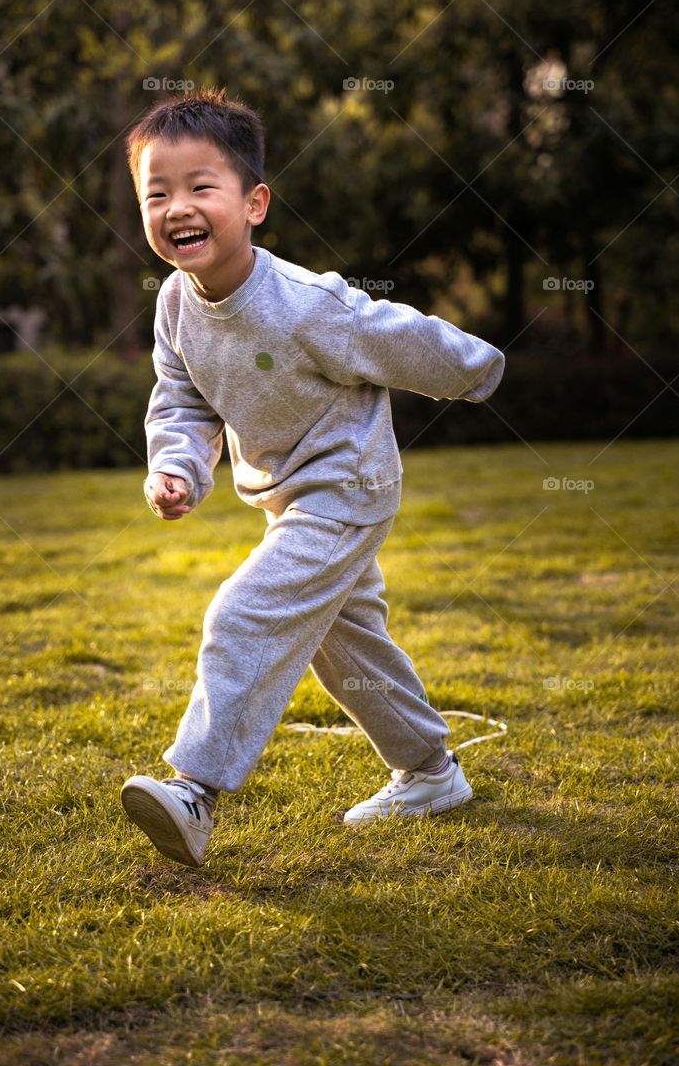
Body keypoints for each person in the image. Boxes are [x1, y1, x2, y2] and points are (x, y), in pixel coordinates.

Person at [119, 87, 506, 868]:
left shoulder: (303, 305)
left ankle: (194, 790)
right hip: (289, 496)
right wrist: (177, 468)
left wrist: (476, 367)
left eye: (200, 187)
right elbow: (182, 402)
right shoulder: (175, 306)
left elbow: (391, 335)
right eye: (157, 194)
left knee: (245, 612)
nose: (177, 207)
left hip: (349, 488)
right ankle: (431, 774)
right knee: (346, 643)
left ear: (254, 203)